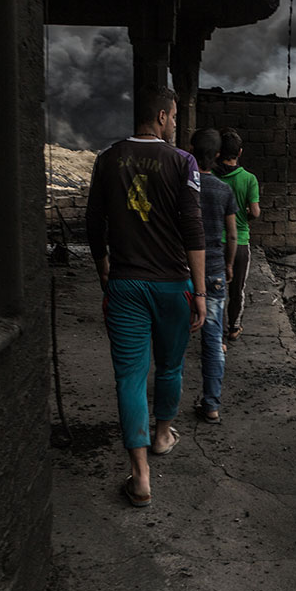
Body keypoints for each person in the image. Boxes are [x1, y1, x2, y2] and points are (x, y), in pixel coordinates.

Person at [85, 85, 206, 508]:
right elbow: (194, 229)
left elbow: (93, 221)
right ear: (160, 116)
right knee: (170, 366)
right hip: (173, 285)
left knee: (130, 377)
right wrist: (202, 291)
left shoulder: (107, 159)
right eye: (173, 117)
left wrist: (103, 267)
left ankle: (140, 476)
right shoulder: (182, 161)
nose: (175, 124)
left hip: (125, 286)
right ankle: (161, 434)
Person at [189, 128, 238, 423]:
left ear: (191, 149)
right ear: (218, 155)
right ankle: (211, 405)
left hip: (183, 272)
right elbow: (232, 235)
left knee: (175, 337)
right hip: (216, 271)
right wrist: (229, 265)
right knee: (213, 339)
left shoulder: (183, 187)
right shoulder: (224, 190)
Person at [214, 128, 261, 342]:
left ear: (218, 153)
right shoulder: (249, 179)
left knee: (215, 288)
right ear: (239, 153)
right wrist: (245, 217)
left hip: (214, 241)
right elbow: (255, 211)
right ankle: (233, 328)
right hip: (240, 240)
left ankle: (215, 331)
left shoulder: (211, 177)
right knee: (237, 288)